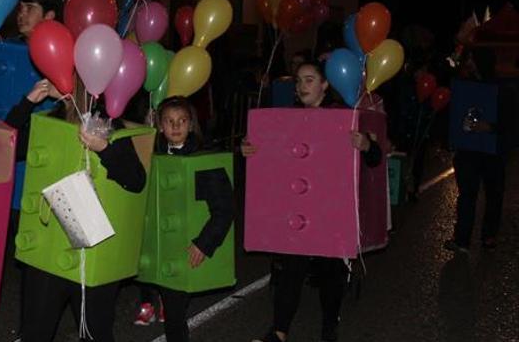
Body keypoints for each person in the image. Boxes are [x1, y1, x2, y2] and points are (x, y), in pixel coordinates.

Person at [242, 60, 382, 342]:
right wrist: (251, 149)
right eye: (298, 81)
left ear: (325, 85)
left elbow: (374, 159)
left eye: (309, 80)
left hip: (329, 213)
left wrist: (365, 144)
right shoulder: (286, 122)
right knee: (290, 269)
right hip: (298, 212)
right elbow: (272, 164)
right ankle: (279, 332)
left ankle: (329, 328)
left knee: (331, 273)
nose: (301, 86)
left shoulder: (342, 118)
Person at [14, 78, 148, 342]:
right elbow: (9, 145)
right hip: (48, 244)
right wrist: (27, 102)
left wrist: (105, 149)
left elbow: (135, 179)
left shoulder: (104, 123)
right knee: (34, 331)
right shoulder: (49, 119)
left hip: (89, 247)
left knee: (94, 332)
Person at [134, 96, 235, 341]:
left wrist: (204, 243)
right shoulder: (151, 154)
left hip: (186, 244)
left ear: (191, 125)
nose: (176, 126)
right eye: (169, 121)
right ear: (160, 125)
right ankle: (149, 300)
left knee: (175, 313)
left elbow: (225, 208)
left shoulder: (204, 160)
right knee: (156, 287)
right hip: (157, 245)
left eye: (182, 121)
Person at [444, 47, 513, 253]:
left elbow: (510, 122)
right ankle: (462, 239)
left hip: (493, 152)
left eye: (473, 59)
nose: (470, 63)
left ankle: (489, 235)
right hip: (469, 151)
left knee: (494, 194)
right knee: (467, 195)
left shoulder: (503, 90)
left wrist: (490, 127)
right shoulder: (466, 85)